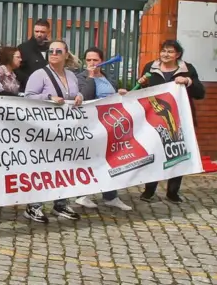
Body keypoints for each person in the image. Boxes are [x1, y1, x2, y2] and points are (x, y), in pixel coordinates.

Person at [23, 40, 82, 223]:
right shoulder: (39, 75)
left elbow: (73, 96)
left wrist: (79, 96)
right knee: (42, 166)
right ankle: (34, 205)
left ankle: (61, 202)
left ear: (66, 55)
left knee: (64, 165)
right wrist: (48, 98)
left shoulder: (71, 76)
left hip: (65, 130)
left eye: (58, 51)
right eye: (51, 51)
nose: (54, 53)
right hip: (44, 130)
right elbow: (28, 97)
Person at [138, 39, 205, 203]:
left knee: (177, 154)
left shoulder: (187, 69)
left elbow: (200, 92)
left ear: (178, 55)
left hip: (179, 120)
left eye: (170, 52)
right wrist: (141, 85)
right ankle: (149, 190)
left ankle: (173, 192)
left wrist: (188, 82)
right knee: (154, 152)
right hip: (154, 120)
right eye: (163, 51)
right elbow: (142, 93)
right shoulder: (150, 68)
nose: (165, 55)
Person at [72, 47, 133, 212]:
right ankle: (83, 194)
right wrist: (91, 77)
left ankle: (110, 196)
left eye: (95, 60)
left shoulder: (109, 78)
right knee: (93, 160)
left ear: (102, 61)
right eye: (89, 60)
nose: (92, 63)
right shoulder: (80, 78)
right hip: (92, 125)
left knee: (110, 160)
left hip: (109, 124)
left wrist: (119, 94)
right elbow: (87, 96)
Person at [16, 18, 52, 90]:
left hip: (49, 87)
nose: (39, 34)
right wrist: (30, 80)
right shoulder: (24, 48)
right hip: (28, 88)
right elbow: (16, 69)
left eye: (42, 32)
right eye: (36, 31)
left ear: (48, 32)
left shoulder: (52, 48)